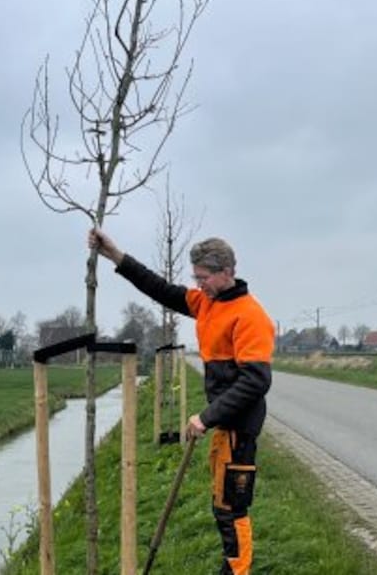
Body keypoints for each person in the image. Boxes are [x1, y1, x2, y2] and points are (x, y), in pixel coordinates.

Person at [89, 228, 273, 575]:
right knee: (222, 505)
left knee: (232, 508)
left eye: (204, 278)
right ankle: (232, 567)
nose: (199, 285)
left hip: (239, 428)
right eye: (196, 278)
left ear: (227, 272)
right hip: (225, 427)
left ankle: (238, 571)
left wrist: (205, 417)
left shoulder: (250, 316)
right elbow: (158, 287)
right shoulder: (206, 303)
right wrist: (115, 255)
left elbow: (256, 381)